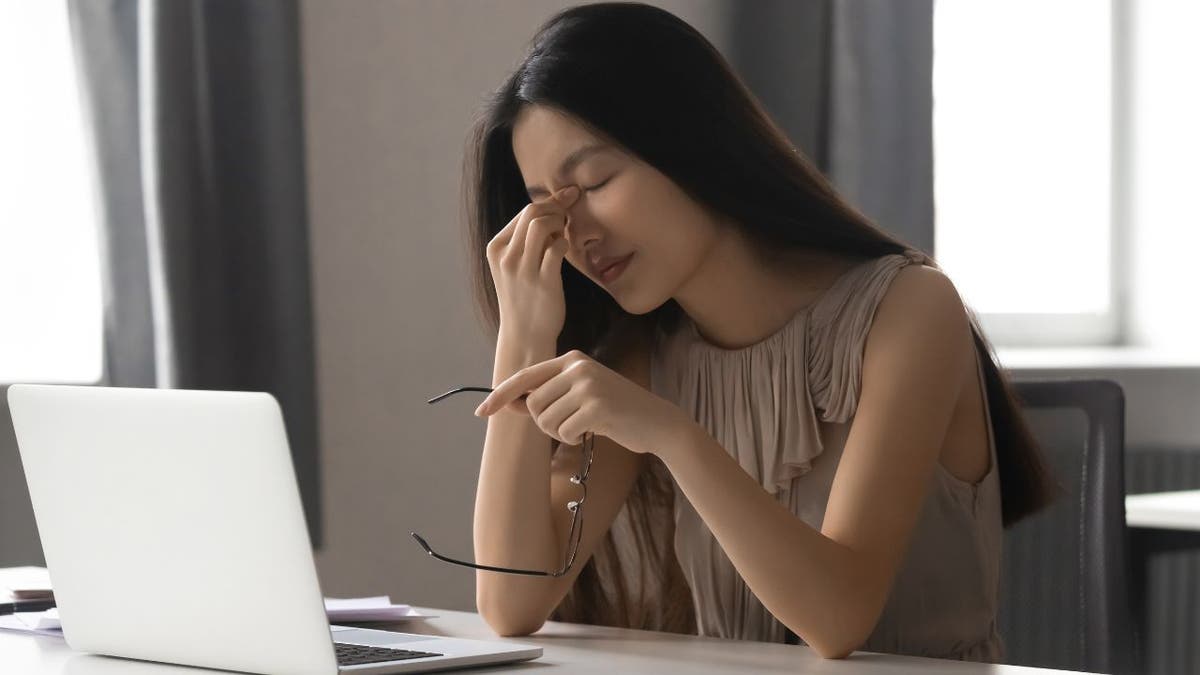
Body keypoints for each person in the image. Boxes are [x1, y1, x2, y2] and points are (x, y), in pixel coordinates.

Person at [457, 1, 1057, 662]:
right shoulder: (645, 357)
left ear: (689, 141)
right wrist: (522, 336)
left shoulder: (908, 308)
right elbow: (512, 603)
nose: (579, 234)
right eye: (548, 210)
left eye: (594, 181)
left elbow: (839, 618)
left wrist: (671, 433)